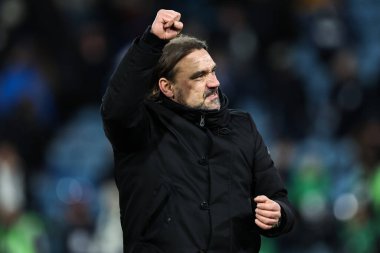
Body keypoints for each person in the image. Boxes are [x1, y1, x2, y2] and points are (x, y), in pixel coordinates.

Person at [101, 9, 295, 253]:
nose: (214, 82)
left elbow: (278, 198)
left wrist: (279, 214)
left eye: (213, 71)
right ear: (167, 87)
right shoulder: (142, 129)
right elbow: (116, 108)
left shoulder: (242, 127)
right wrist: (151, 41)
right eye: (199, 76)